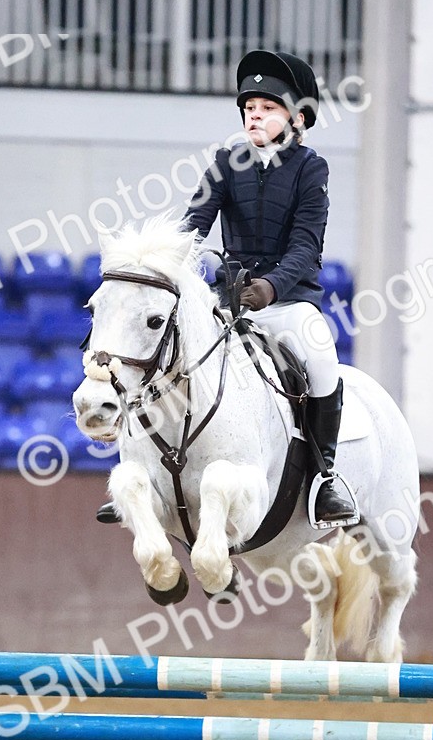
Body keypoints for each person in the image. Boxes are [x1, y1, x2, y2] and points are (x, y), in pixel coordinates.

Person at [98, 48, 356, 528]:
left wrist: (270, 288)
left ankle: (326, 478)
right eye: (248, 109)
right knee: (163, 351)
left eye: (267, 109)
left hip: (286, 302)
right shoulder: (224, 162)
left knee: (321, 359)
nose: (254, 116)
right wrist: (171, 268)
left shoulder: (310, 169)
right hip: (225, 300)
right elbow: (194, 226)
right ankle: (134, 474)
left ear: (297, 118)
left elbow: (305, 246)